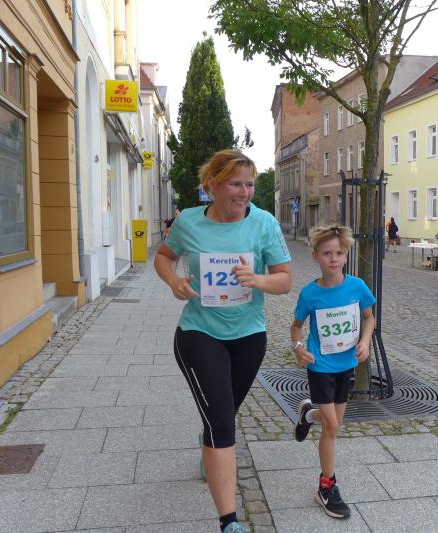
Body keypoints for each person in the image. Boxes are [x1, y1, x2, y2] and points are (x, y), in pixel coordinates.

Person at [154, 149, 292, 533]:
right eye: (235, 184)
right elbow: (163, 257)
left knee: (223, 415)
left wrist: (258, 280)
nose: (244, 192)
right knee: (222, 424)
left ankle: (210, 447)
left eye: (250, 184)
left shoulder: (264, 223)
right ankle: (229, 522)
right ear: (212, 184)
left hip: (249, 337)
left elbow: (284, 279)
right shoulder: (189, 222)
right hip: (199, 334)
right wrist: (174, 281)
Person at [290, 224, 376, 519]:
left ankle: (308, 414)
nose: (334, 259)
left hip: (345, 365)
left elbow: (369, 318)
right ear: (315, 256)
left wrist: (365, 341)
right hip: (320, 366)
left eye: (339, 253)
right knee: (334, 427)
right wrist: (299, 348)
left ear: (346, 256)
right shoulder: (310, 293)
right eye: (327, 253)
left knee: (332, 423)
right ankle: (327, 486)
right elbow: (296, 326)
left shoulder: (357, 287)